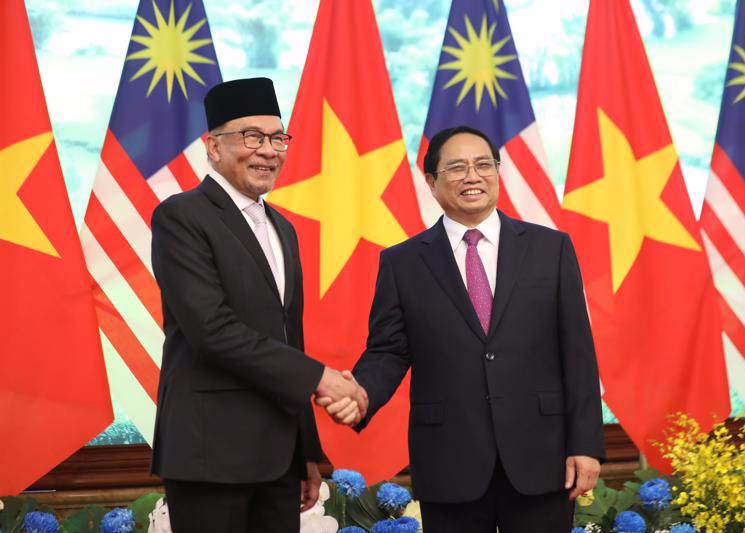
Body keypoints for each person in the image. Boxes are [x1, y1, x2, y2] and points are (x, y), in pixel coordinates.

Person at [320, 125, 605, 533]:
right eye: (457, 167)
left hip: (541, 456)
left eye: (483, 164)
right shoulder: (403, 263)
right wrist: (361, 394)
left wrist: (585, 445)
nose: (473, 176)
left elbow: (578, 354)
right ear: (432, 181)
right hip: (449, 460)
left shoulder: (550, 249)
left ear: (497, 172)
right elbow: (389, 351)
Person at [150, 77, 363, 533]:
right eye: (252, 137)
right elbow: (212, 331)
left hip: (279, 458)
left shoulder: (283, 228)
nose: (269, 150)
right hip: (210, 455)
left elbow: (289, 339)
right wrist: (320, 377)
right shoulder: (181, 216)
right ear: (213, 147)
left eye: (278, 138)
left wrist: (305, 449)